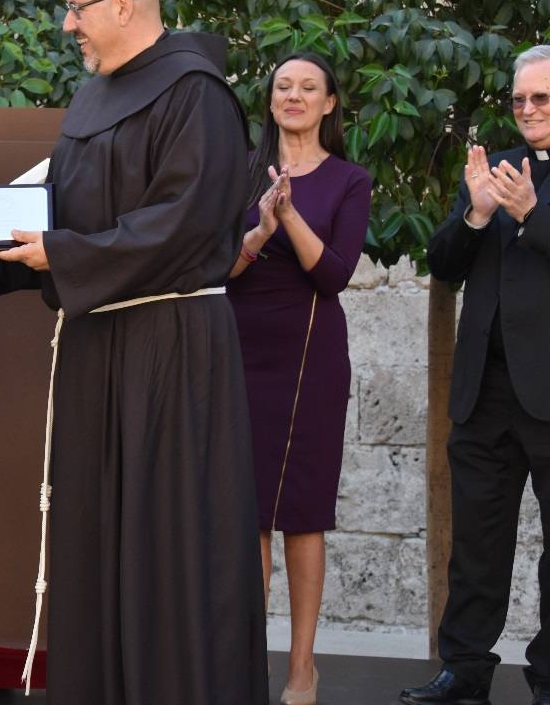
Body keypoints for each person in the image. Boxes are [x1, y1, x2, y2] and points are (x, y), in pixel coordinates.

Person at [0, 0, 269, 703]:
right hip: (98, 345)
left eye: (79, 10)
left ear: (126, 5)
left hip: (170, 351)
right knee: (95, 540)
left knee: (168, 542)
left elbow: (182, 225)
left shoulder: (196, 95)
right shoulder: (94, 95)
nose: (69, 25)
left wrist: (62, 253)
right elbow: (63, 207)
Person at [401, 46, 550, 705]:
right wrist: (478, 213)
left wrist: (533, 217)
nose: (527, 110)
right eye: (520, 99)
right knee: (478, 548)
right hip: (483, 396)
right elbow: (443, 263)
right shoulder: (498, 172)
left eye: (541, 99)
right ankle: (463, 672)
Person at [226, 53, 371, 705]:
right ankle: (249, 665)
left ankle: (302, 669)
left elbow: (334, 274)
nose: (294, 96)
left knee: (302, 515)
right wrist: (258, 230)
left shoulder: (348, 179)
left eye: (308, 87)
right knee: (247, 513)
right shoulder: (240, 173)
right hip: (239, 347)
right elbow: (218, 267)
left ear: (330, 103)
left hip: (311, 355)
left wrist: (288, 218)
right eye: (283, 85)